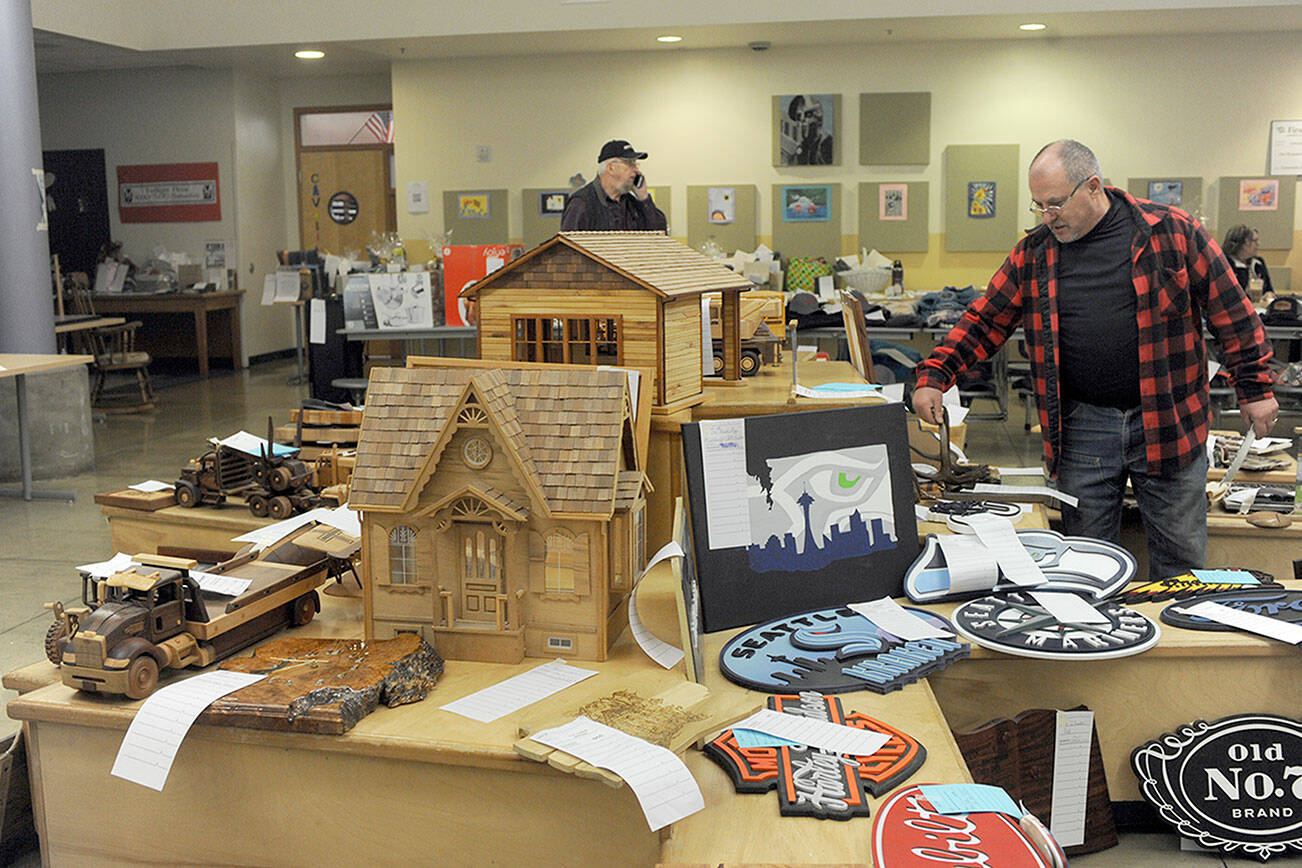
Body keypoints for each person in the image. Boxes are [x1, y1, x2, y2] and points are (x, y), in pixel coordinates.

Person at [911, 140, 1278, 580]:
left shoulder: (1170, 231)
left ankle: (1181, 639)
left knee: (1181, 562)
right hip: (1082, 426)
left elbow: (1231, 312)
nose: (1048, 217)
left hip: (1168, 419)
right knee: (1086, 565)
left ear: (1093, 186)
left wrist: (1255, 389)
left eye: (1056, 204)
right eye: (1038, 206)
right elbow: (986, 319)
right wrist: (936, 374)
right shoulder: (1034, 252)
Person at [560, 140, 667, 232]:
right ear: (611, 168)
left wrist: (644, 198)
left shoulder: (632, 204)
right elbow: (568, 250)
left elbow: (660, 234)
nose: (636, 170)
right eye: (630, 164)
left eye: (635, 164)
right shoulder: (581, 203)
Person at [1221, 224, 1275, 302]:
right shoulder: (1226, 264)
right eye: (1255, 240)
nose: (1258, 243)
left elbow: (1269, 289)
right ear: (1243, 244)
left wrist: (1269, 294)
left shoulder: (1258, 263)